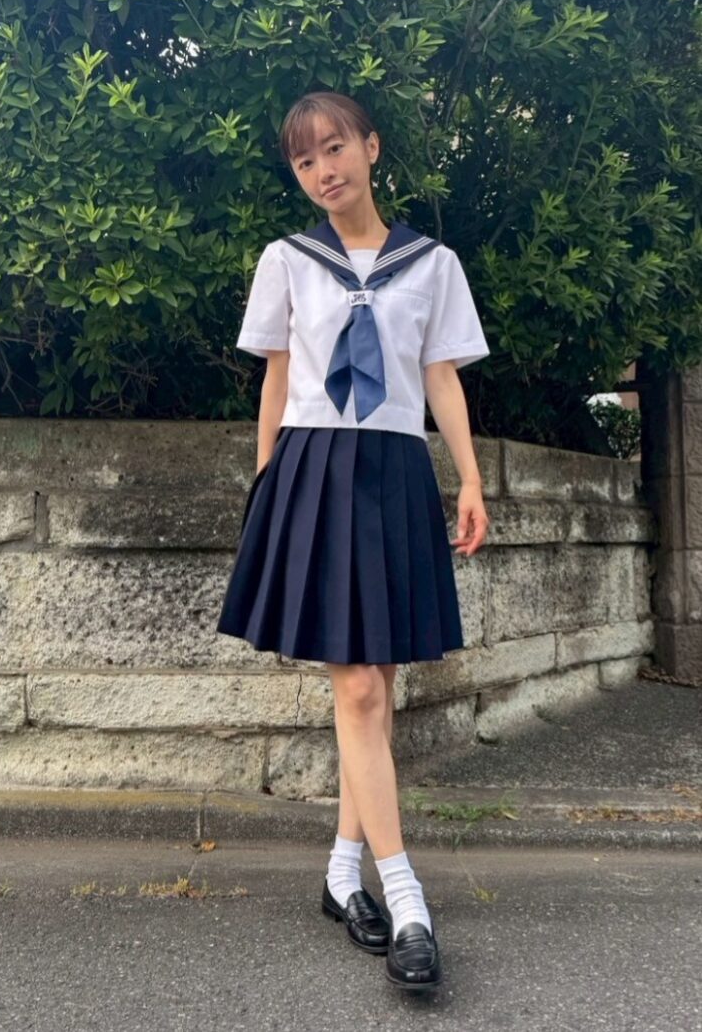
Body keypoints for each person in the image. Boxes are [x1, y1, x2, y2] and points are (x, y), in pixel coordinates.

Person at [216, 91, 490, 993]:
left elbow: (439, 376)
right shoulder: (288, 261)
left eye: (334, 148)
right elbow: (277, 376)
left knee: (376, 685)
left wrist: (470, 478)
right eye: (304, 160)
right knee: (362, 687)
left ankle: (342, 874)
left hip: (395, 472)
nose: (322, 170)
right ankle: (406, 898)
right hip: (314, 470)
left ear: (370, 148)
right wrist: (267, 484)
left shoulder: (432, 264)